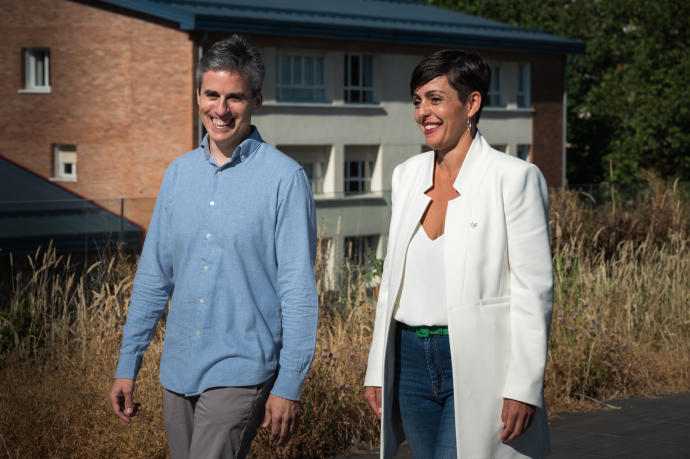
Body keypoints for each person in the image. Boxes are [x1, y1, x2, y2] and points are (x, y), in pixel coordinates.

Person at [108, 35, 319, 459]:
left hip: (241, 371)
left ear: (256, 100)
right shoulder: (177, 175)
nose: (220, 109)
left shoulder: (285, 179)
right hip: (178, 369)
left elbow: (297, 289)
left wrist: (289, 382)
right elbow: (154, 276)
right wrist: (128, 362)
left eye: (235, 97)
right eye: (212, 95)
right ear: (198, 96)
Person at [363, 49, 554, 459]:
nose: (423, 112)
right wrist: (378, 367)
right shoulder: (406, 176)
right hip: (410, 359)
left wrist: (524, 386)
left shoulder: (514, 179)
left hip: (479, 362)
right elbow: (392, 284)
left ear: (472, 103)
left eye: (435, 98)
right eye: (417, 101)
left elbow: (533, 292)